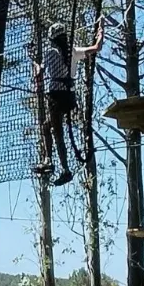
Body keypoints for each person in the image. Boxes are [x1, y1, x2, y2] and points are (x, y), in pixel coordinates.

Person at [33, 22, 103, 187]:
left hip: (56, 97)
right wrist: (101, 31)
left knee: (57, 133)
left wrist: (36, 65)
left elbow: (40, 74)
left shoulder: (50, 52)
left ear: (52, 39)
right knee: (47, 126)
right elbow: (96, 47)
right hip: (70, 97)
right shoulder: (73, 51)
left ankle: (62, 168)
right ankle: (49, 159)